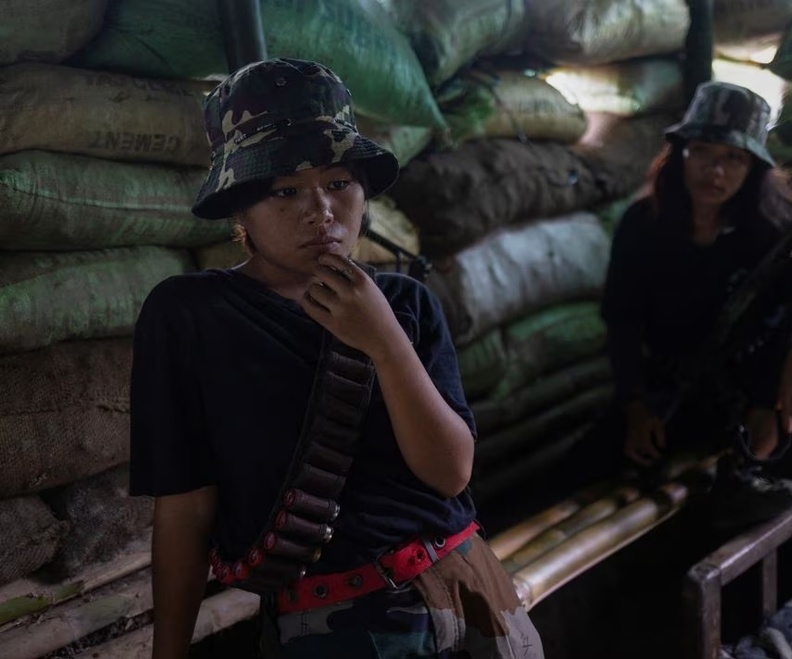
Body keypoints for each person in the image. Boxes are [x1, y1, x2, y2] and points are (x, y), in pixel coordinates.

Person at [129, 58, 544, 659]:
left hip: (471, 594)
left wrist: (383, 340)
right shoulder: (191, 314)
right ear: (239, 210)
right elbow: (185, 506)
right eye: (285, 191)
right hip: (334, 627)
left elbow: (450, 473)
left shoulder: (404, 302)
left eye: (339, 183)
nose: (320, 210)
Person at [599, 81, 792, 529]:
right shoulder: (642, 225)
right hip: (674, 380)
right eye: (705, 152)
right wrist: (634, 403)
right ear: (682, 154)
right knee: (605, 460)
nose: (716, 171)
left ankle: (749, 469)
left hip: (754, 384)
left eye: (734, 158)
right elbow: (622, 319)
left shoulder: (774, 228)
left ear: (753, 168)